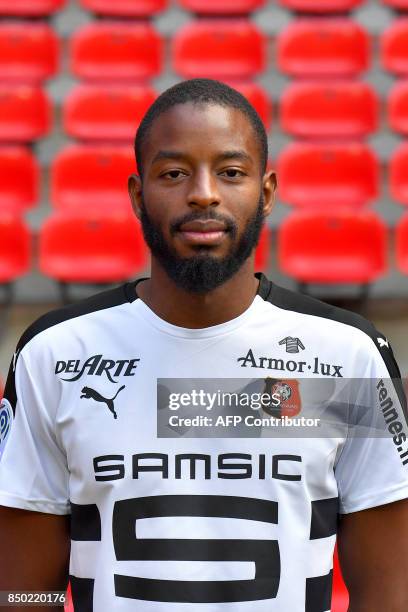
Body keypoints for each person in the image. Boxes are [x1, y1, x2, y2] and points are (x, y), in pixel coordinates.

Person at [0, 78, 407, 612]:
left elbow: (388, 591)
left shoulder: (347, 355)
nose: (204, 193)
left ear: (265, 194)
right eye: (174, 173)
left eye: (231, 172)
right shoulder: (53, 355)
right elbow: (23, 591)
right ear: (136, 193)